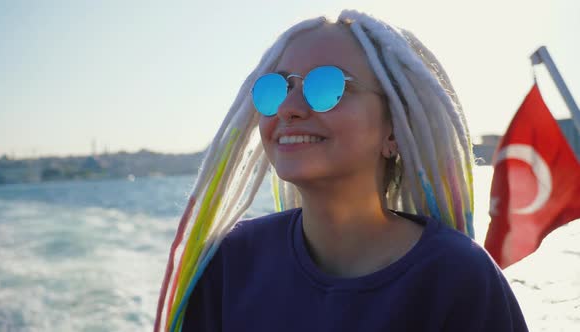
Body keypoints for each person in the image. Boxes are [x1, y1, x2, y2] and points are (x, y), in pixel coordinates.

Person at [154, 10, 528, 332]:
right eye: (275, 88)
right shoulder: (231, 261)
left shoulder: (458, 276)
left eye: (328, 86)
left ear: (394, 129)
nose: (289, 107)